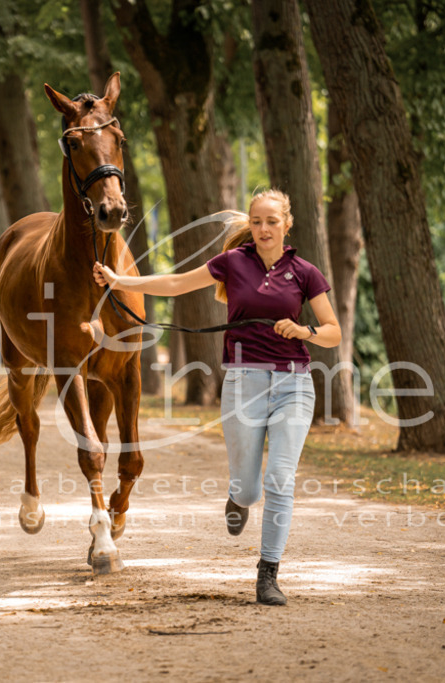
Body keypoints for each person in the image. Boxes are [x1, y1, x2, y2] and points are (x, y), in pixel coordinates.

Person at [93, 189, 341, 606]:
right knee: (248, 490)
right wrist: (121, 281)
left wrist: (305, 332)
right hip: (243, 383)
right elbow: (176, 282)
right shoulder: (233, 263)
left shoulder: (305, 272)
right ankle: (238, 497)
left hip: (294, 384)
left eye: (272, 222)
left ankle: (268, 573)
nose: (263, 229)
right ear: (251, 223)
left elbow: (333, 330)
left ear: (287, 224)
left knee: (280, 479)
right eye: (257, 221)